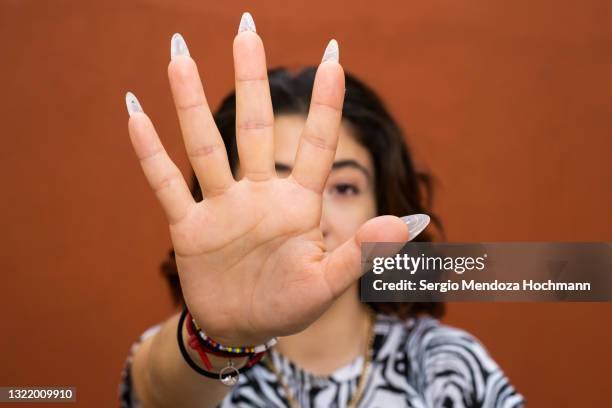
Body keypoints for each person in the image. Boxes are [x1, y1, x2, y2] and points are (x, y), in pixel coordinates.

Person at [119, 12, 525, 408]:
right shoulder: (182, 358)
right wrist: (222, 338)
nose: (312, 220)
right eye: (278, 185)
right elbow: (161, 394)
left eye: (345, 187)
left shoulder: (448, 366)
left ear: (382, 205)